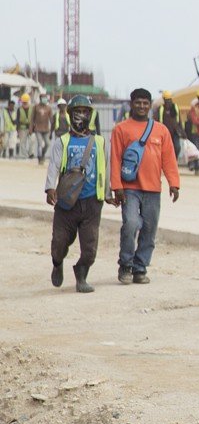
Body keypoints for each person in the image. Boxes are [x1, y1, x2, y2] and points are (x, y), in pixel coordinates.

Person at [109, 88, 180, 285]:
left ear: (150, 106)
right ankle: (125, 264)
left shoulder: (161, 130)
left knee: (149, 229)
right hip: (129, 189)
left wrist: (174, 184)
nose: (141, 106)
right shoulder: (121, 129)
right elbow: (114, 159)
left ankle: (140, 267)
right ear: (131, 104)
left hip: (153, 190)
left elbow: (169, 159)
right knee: (131, 224)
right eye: (138, 103)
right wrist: (117, 186)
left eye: (145, 103)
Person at [43, 95, 107, 293]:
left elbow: (106, 169)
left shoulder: (99, 141)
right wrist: (50, 188)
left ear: (91, 115)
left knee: (90, 248)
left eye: (85, 112)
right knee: (60, 242)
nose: (81, 116)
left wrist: (111, 192)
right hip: (66, 202)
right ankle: (57, 262)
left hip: (91, 203)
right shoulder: (62, 141)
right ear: (70, 115)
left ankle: (81, 275)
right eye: (77, 112)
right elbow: (53, 165)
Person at [156, 90, 183, 160]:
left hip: (175, 132)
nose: (168, 101)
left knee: (177, 147)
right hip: (164, 133)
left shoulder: (175, 107)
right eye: (167, 100)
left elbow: (179, 120)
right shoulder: (161, 109)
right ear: (164, 100)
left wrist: (182, 131)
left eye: (169, 99)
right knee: (165, 149)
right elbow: (157, 121)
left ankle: (174, 160)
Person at [31, 94, 54, 164]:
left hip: (46, 129)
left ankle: (43, 154)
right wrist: (31, 128)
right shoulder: (36, 107)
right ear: (40, 98)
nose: (44, 99)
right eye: (43, 98)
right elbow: (32, 118)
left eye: (45, 98)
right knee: (40, 144)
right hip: (38, 128)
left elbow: (51, 120)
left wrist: (52, 130)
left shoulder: (49, 108)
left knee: (47, 144)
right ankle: (40, 158)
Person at [16, 93, 32, 159]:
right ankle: (25, 155)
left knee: (32, 141)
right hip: (22, 128)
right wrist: (17, 129)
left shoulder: (32, 108)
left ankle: (31, 153)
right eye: (24, 102)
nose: (25, 103)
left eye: (26, 102)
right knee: (23, 142)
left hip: (31, 128)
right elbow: (17, 120)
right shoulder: (19, 109)